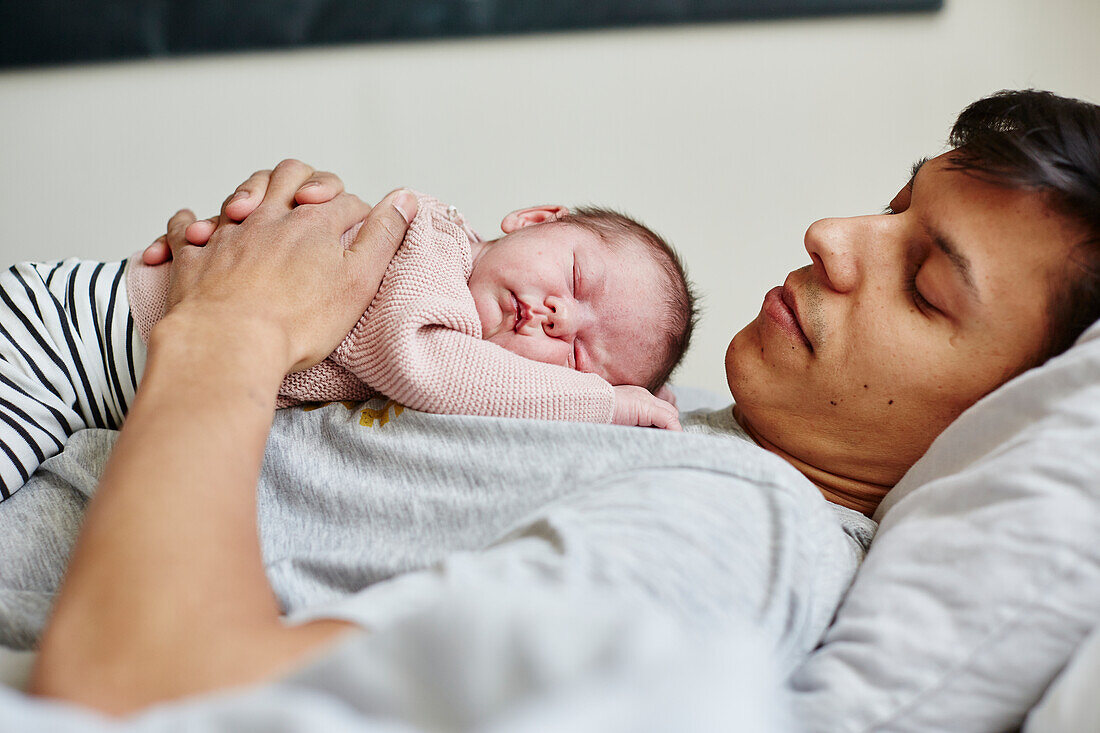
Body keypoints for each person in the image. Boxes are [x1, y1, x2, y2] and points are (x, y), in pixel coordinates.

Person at [16, 89, 1100, 720]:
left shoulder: (731, 528)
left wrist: (229, 332)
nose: (830, 234)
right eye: (890, 204)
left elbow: (142, 685)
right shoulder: (650, 414)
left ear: (1010, 408)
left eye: (922, 284)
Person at [0, 193, 693, 501]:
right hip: (66, 338)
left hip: (91, 380)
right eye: (574, 278)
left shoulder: (466, 315)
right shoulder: (427, 242)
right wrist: (606, 400)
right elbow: (436, 369)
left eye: (577, 352)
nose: (552, 316)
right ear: (537, 218)